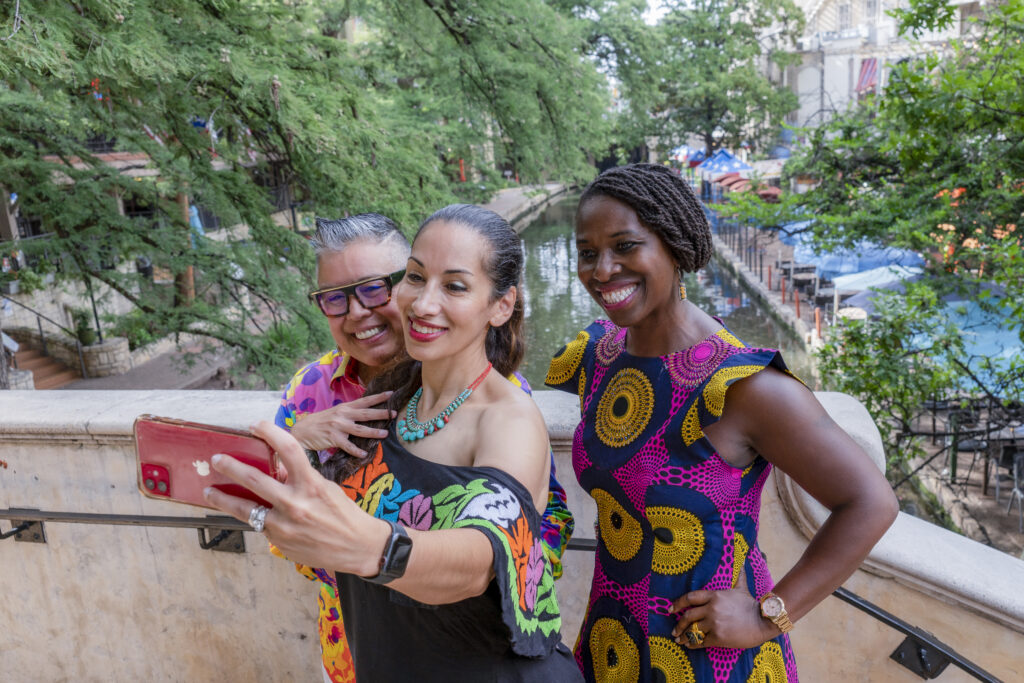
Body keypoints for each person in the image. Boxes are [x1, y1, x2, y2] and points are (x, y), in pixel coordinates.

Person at [544, 164, 898, 682]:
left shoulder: (742, 386)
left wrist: (767, 615)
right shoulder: (597, 355)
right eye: (588, 252)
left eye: (625, 246)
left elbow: (871, 502)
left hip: (708, 658)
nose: (602, 270)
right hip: (612, 640)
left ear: (674, 246)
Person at [205, 204, 582, 681]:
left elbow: (487, 556)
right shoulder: (394, 392)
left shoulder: (507, 416)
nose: (423, 304)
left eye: (455, 286)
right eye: (416, 278)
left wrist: (373, 549)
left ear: (501, 305)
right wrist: (297, 445)